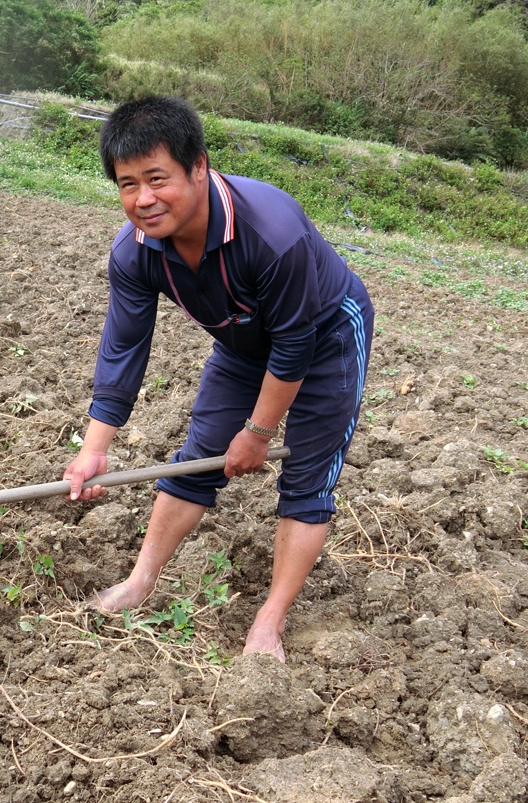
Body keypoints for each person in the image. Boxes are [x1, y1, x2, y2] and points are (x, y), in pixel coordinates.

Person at [62, 96, 374, 661]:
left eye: (158, 178)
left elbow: (297, 343)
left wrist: (257, 431)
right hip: (243, 341)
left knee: (307, 475)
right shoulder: (135, 253)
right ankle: (141, 581)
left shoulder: (272, 233)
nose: (144, 199)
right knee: (198, 454)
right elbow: (124, 346)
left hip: (324, 338)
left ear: (199, 166)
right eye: (128, 184)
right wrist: (93, 451)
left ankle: (269, 621)